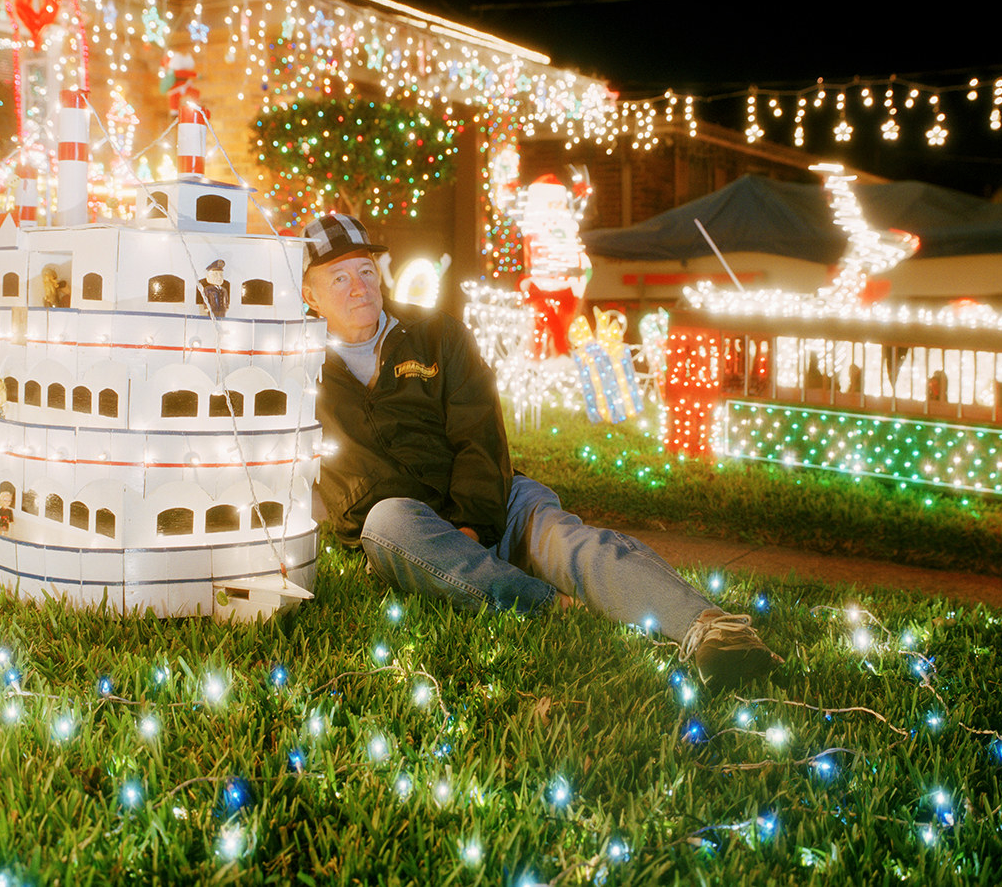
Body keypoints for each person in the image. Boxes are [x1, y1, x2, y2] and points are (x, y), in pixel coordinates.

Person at [300, 212, 782, 689]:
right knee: (386, 522)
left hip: (495, 499)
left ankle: (713, 630)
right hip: (406, 527)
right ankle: (544, 603)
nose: (358, 287)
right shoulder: (295, 363)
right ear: (309, 295)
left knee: (570, 543)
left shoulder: (435, 334)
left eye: (365, 270)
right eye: (338, 277)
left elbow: (480, 433)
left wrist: (473, 522)